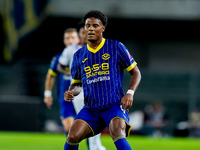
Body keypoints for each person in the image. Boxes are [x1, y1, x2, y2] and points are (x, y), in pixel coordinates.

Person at [63, 10, 141, 150]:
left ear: (102, 28)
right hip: (91, 108)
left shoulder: (116, 47)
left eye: (95, 25)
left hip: (114, 105)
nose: (91, 29)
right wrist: (71, 92)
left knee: (117, 132)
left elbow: (136, 72)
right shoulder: (78, 55)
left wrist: (130, 93)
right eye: (88, 26)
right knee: (72, 136)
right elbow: (77, 84)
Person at [58, 22, 106, 150]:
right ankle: (94, 146)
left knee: (96, 120)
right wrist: (69, 72)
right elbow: (60, 66)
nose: (85, 34)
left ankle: (95, 146)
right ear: (80, 35)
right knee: (86, 121)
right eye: (82, 32)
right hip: (79, 91)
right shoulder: (72, 50)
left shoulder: (99, 49)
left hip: (96, 90)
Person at [44, 28, 80, 133]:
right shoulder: (59, 58)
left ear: (78, 39)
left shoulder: (85, 56)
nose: (70, 40)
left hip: (83, 98)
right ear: (64, 41)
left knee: (88, 129)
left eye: (72, 37)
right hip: (66, 99)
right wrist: (47, 94)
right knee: (69, 128)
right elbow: (50, 75)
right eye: (67, 38)